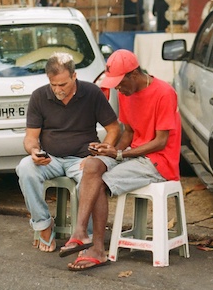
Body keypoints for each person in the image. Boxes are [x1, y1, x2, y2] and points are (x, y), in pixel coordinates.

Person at [58, 50, 181, 271]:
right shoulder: (126, 93)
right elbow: (129, 132)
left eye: (120, 82)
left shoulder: (164, 92)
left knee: (100, 182)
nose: (117, 88)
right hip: (133, 154)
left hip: (158, 161)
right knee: (93, 164)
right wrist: (110, 149)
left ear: (134, 74)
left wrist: (120, 155)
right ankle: (79, 233)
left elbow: (161, 142)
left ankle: (97, 249)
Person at [16, 52, 121, 252]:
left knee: (91, 178)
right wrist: (34, 151)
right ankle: (44, 225)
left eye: (62, 85)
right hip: (51, 158)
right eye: (53, 84)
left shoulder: (91, 93)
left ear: (74, 76)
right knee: (25, 168)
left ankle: (86, 236)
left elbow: (114, 129)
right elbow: (30, 137)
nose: (57, 90)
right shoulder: (39, 96)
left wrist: (98, 156)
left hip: (83, 158)